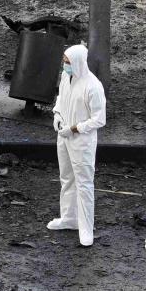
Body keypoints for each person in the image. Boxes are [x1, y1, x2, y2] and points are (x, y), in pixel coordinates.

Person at [47, 44, 106, 248]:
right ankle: (69, 218)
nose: (65, 65)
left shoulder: (93, 86)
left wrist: (74, 128)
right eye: (64, 61)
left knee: (84, 184)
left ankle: (86, 228)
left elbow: (99, 120)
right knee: (67, 178)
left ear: (79, 63)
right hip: (63, 136)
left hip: (81, 142)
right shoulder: (66, 77)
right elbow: (62, 97)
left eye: (68, 62)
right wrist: (56, 113)